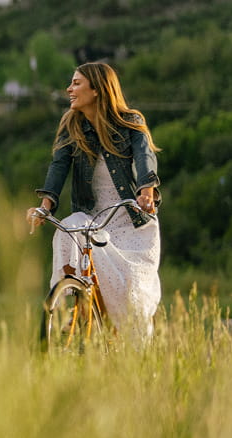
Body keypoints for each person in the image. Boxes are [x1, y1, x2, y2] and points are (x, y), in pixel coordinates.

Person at [27, 62, 161, 340]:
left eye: (76, 83)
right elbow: (58, 168)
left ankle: (125, 342)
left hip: (128, 217)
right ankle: (71, 304)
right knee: (69, 228)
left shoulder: (130, 123)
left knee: (129, 289)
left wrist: (147, 189)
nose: (69, 89)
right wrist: (45, 207)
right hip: (92, 216)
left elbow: (144, 156)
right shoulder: (71, 126)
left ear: (97, 89)